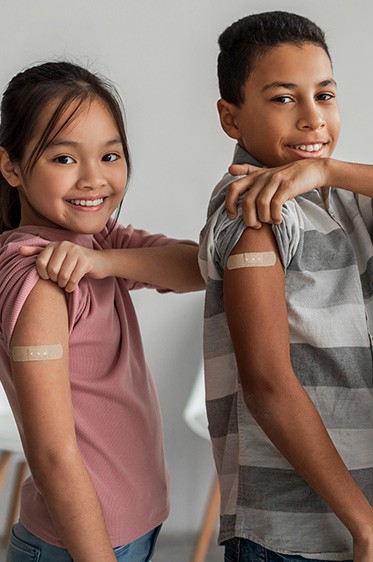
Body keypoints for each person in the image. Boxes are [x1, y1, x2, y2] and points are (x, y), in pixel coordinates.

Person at [0, 60, 204, 562]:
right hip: (83, 546)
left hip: (129, 529)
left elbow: (199, 267)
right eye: (65, 158)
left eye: (110, 155)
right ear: (11, 167)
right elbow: (52, 457)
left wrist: (103, 260)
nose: (94, 178)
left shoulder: (95, 245)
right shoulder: (43, 277)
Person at [198, 11, 373, 562]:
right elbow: (269, 387)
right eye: (283, 99)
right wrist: (364, 524)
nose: (311, 118)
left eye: (324, 95)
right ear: (231, 117)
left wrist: (328, 172)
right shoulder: (255, 210)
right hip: (293, 533)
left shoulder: (341, 199)